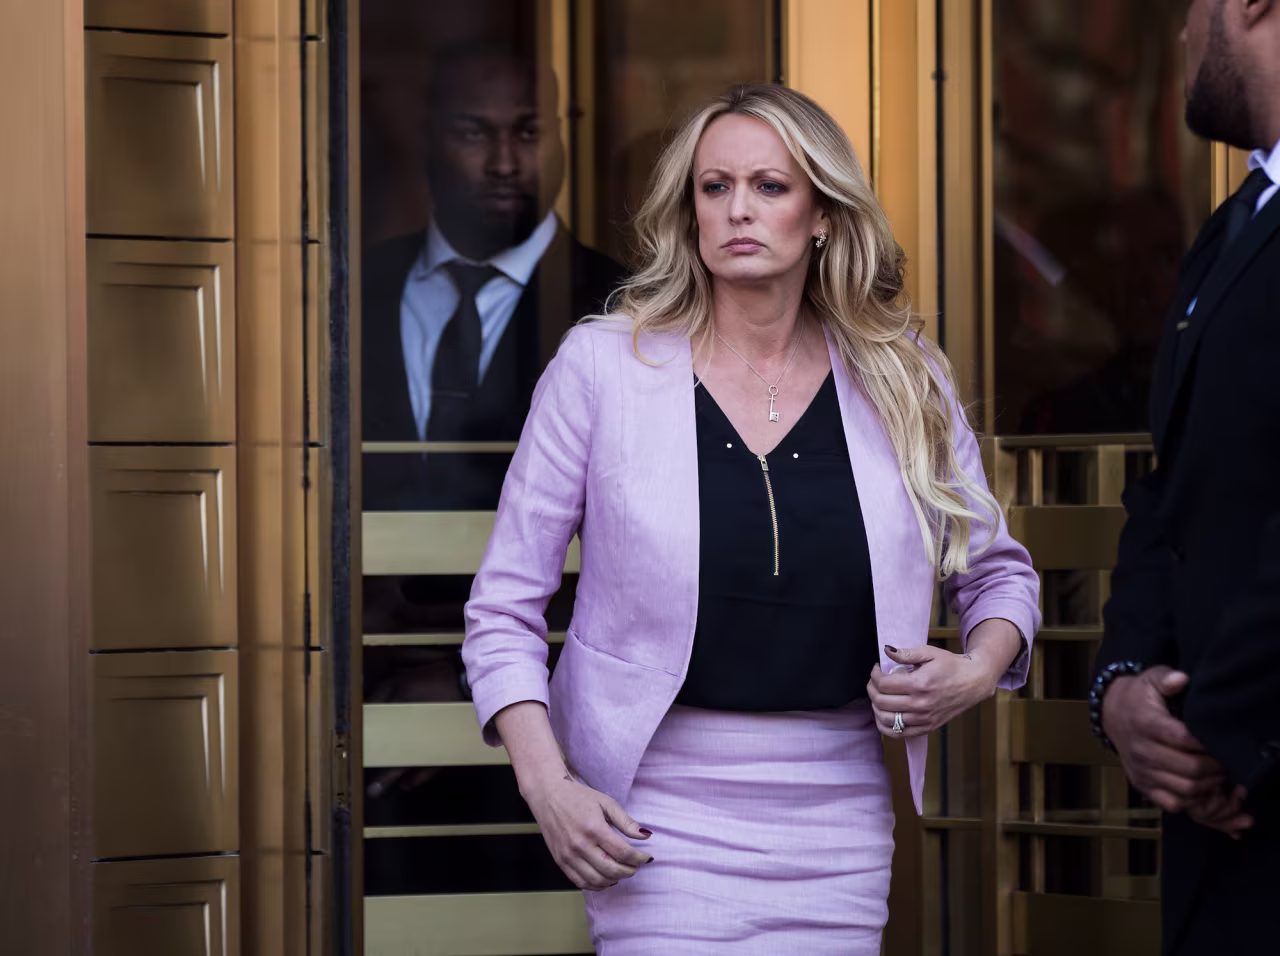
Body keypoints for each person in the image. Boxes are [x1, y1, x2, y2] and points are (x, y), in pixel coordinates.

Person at [463, 83, 1041, 954]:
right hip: (653, 812)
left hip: (839, 815)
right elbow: (501, 610)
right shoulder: (601, 368)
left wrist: (976, 669)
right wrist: (550, 788)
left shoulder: (900, 372)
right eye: (714, 186)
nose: (738, 209)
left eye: (770, 187)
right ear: (688, 209)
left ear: (822, 215)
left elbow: (997, 571)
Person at [1089, 1, 1280, 953]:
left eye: (1189, 5)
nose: (1177, 35)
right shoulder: (1233, 226)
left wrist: (1221, 735)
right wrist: (1123, 689)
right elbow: (1171, 496)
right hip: (1216, 835)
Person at [361, 37, 624, 512]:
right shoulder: (353, 289)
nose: (504, 164)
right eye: (473, 134)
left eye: (529, 133)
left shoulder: (624, 305)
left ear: (562, 138)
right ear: (426, 140)